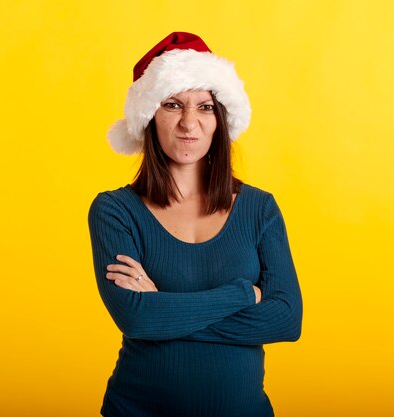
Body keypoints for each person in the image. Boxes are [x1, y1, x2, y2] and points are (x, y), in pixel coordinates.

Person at [87, 32, 303, 417]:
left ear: (220, 120)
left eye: (205, 106)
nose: (190, 123)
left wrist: (162, 312)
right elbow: (134, 317)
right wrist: (242, 294)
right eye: (173, 104)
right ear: (150, 116)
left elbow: (286, 319)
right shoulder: (115, 210)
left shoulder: (259, 208)